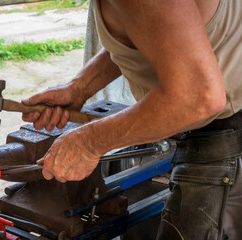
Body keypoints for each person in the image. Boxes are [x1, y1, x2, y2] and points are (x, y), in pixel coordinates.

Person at [21, 0, 242, 239]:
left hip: (227, 136)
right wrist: (78, 88)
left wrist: (88, 142)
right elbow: (154, 30)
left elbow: (199, 98)